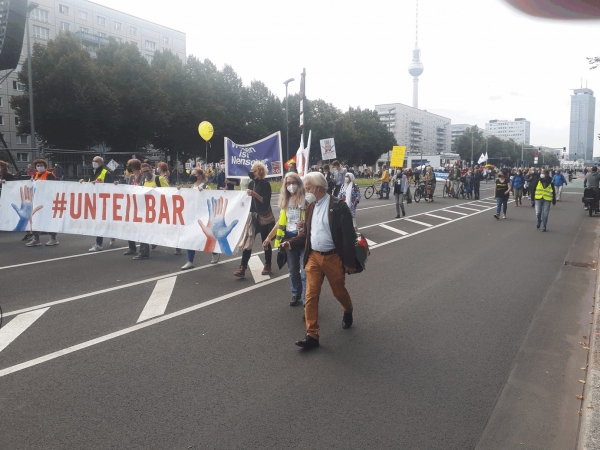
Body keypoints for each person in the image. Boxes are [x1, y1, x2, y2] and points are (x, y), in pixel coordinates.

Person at [282, 172, 357, 350]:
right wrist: (289, 244)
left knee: (339, 292)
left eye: (307, 188)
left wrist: (348, 262)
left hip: (333, 258)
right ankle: (312, 335)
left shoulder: (338, 206)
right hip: (314, 257)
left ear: (318, 187)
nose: (304, 191)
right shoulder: (310, 207)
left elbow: (349, 236)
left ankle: (348, 309)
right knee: (310, 296)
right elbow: (306, 235)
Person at [263, 172, 307, 306]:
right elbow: (280, 223)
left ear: (299, 184)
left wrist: (305, 224)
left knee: (305, 272)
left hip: (303, 238)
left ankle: (307, 300)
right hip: (289, 238)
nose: (290, 185)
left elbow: (314, 218)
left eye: (293, 182)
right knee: (293, 270)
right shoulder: (285, 201)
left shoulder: (306, 199)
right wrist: (269, 237)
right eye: (288, 183)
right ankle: (296, 293)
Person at [234, 161, 275, 278]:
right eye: (251, 170)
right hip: (252, 216)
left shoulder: (266, 184)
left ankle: (267, 264)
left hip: (263, 216)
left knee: (265, 241)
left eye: (254, 170)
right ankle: (242, 267)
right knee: (248, 242)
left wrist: (254, 194)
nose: (251, 172)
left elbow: (265, 201)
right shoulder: (251, 183)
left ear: (260, 172)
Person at [180, 168, 220, 270]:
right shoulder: (190, 187)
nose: (192, 175)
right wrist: (180, 191)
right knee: (190, 237)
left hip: (204, 216)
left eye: (194, 174)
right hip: (192, 216)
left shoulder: (206, 187)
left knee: (207, 236)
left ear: (200, 176)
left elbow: (212, 198)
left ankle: (215, 252)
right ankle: (190, 261)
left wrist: (204, 192)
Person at [132, 162, 172, 260]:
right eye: (144, 171)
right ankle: (144, 252)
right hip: (147, 211)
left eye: (147, 171)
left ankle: (176, 246)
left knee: (166, 229)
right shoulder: (142, 181)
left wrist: (158, 191)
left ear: (151, 170)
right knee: (144, 230)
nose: (146, 173)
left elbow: (170, 192)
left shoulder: (159, 179)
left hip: (159, 210)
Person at [83, 156, 116, 252]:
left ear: (102, 163)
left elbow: (110, 188)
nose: (94, 162)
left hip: (104, 202)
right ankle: (112, 234)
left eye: (96, 161)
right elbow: (90, 185)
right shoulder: (92, 172)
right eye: (93, 161)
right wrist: (83, 183)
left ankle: (99, 243)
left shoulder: (106, 173)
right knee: (102, 222)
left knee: (99, 222)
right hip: (95, 201)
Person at [26, 159, 59, 247]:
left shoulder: (49, 175)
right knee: (36, 219)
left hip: (47, 200)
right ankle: (36, 239)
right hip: (37, 200)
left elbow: (52, 187)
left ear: (45, 166)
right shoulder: (35, 175)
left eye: (41, 165)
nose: (39, 167)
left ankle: (53, 238)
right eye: (37, 165)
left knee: (48, 219)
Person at [123, 159, 142, 256]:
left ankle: (143, 250)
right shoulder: (131, 177)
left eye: (129, 166)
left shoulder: (143, 177)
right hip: (132, 205)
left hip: (142, 206)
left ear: (133, 167)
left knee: (142, 228)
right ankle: (131, 247)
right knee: (129, 227)